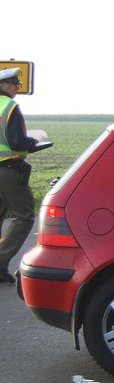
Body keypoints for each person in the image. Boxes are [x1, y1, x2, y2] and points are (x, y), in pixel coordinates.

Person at [0, 68, 39, 284]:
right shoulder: (10, 106)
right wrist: (31, 142)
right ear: (5, 86)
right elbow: (16, 142)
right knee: (24, 216)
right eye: (15, 85)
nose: (17, 89)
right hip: (7, 169)